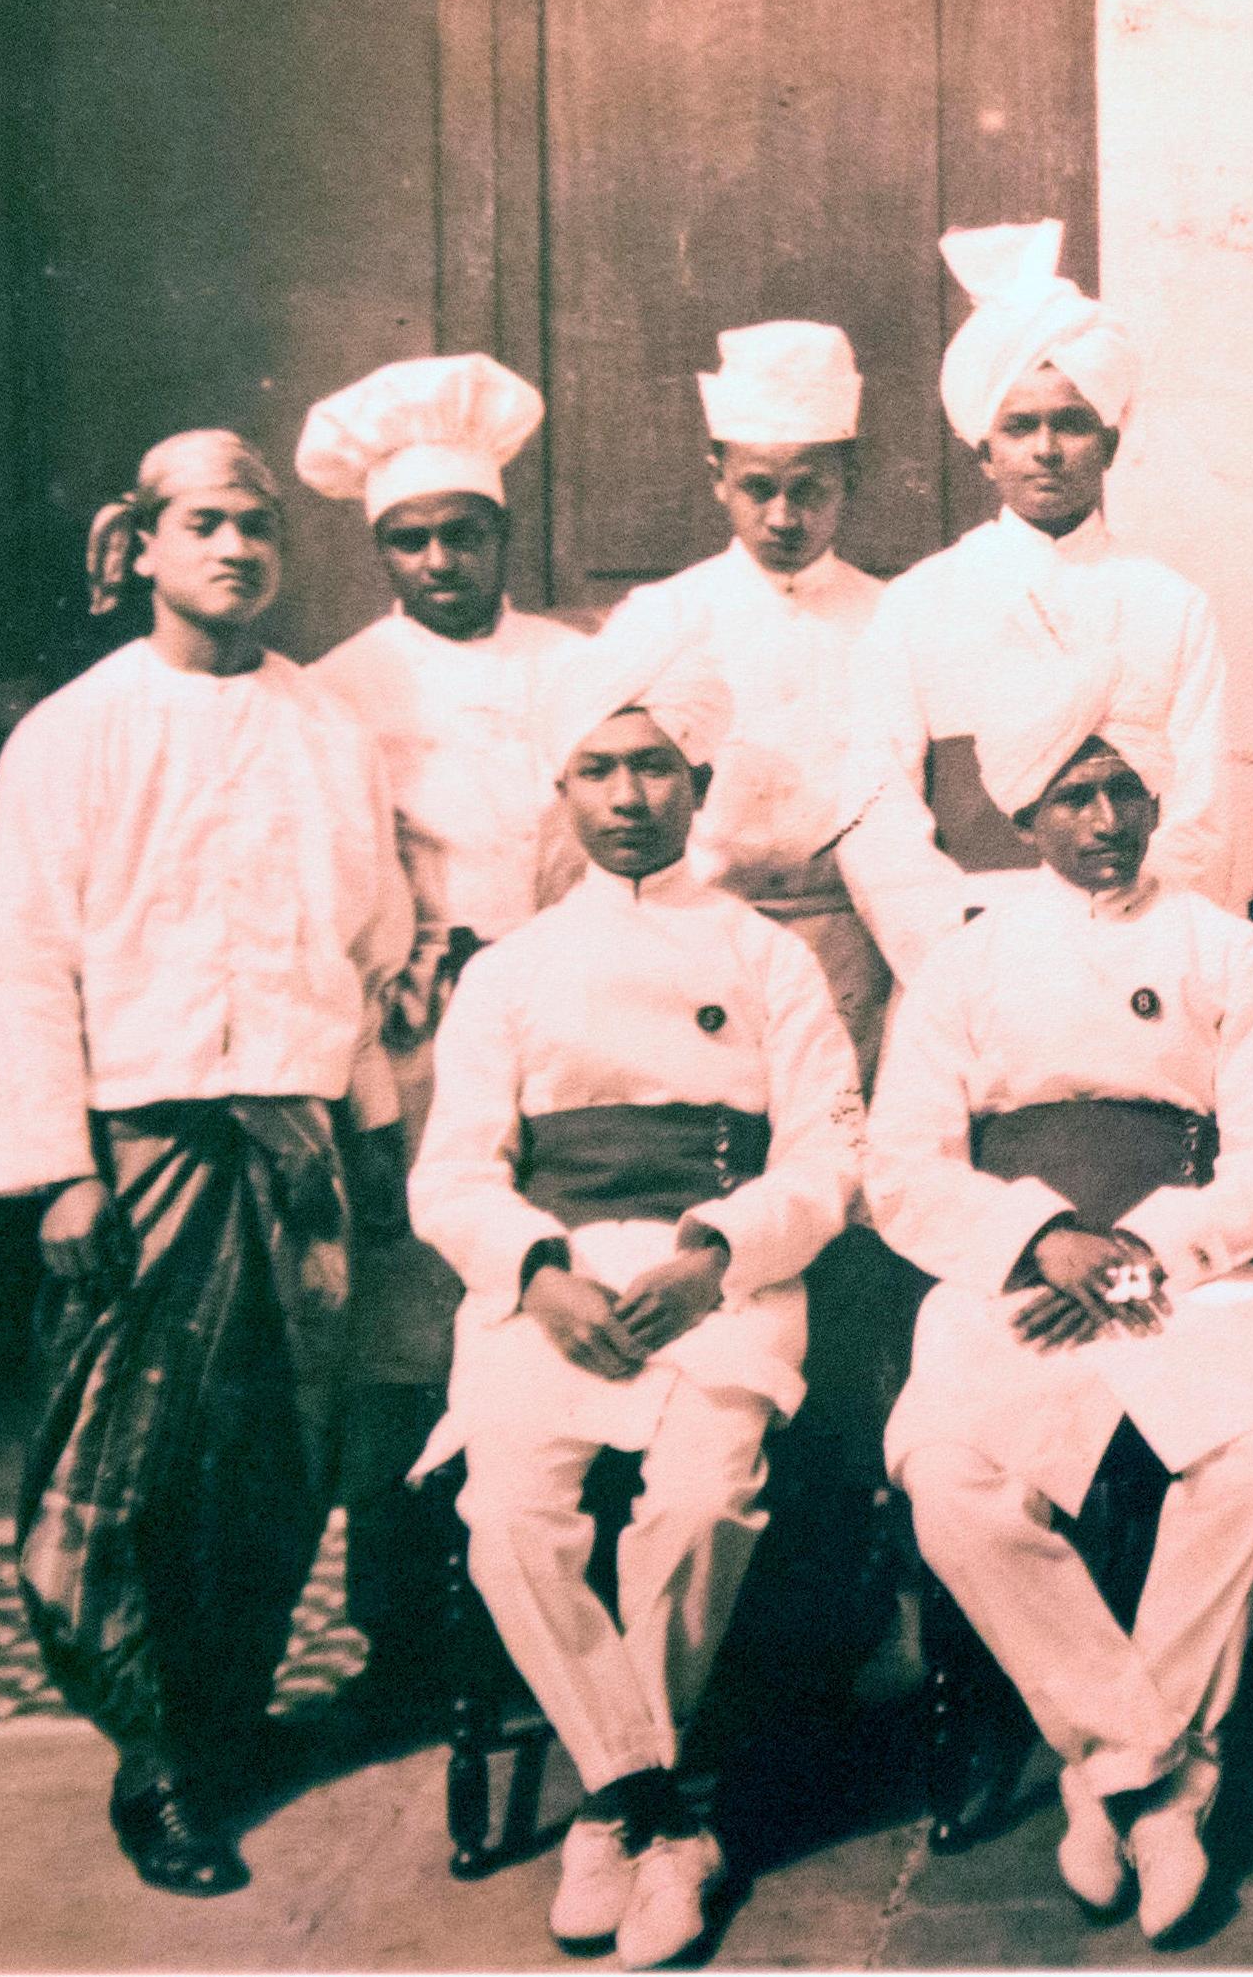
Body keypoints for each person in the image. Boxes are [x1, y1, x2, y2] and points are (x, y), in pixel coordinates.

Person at [0, 428, 410, 1894]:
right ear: (142, 546)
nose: (236, 548)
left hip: (295, 1140)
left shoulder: (325, 729)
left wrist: (365, 1122)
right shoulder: (72, 735)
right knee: (120, 1464)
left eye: (258, 525)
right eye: (205, 524)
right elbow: (27, 964)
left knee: (279, 1456)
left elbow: (368, 944)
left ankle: (224, 1725)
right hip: (141, 1144)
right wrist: (61, 1170)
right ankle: (150, 1757)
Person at [410, 635, 862, 1968]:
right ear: (562, 788)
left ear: (696, 778)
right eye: (597, 770)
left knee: (701, 1494)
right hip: (552, 1288)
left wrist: (719, 1250)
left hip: (712, 1282)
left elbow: (830, 1147)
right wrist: (536, 1271)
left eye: (651, 768)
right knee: (508, 1510)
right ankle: (658, 1812)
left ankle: (617, 1807)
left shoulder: (765, 952)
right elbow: (453, 1172)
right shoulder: (506, 969)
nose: (624, 797)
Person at [869, 650, 1253, 1943]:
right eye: (1074, 795)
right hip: (1013, 1274)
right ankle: (1151, 1771)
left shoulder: (1222, 950)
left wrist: (1142, 1251)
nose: (1106, 820)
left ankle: (1113, 1778)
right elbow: (902, 1171)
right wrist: (1037, 1239)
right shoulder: (962, 962)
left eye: (1126, 790)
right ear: (1023, 814)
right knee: (954, 1476)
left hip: (1187, 1274)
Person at [299, 350, 585, 1711]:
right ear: (381, 550)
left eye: (458, 534)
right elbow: (337, 887)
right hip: (412, 1039)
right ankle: (403, 1632)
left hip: (562, 1021)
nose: (435, 561)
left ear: (501, 535)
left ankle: (549, 1618)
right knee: (408, 1336)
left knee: (548, 1300)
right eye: (407, 540)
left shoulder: (576, 667)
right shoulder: (339, 687)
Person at [840, 221, 1229, 978]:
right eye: (1020, 427)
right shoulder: (919, 603)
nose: (1046, 450)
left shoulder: (1171, 604)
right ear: (984, 449)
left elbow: (1200, 815)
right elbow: (876, 808)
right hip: (973, 948)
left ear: (1110, 444)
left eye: (1072, 424)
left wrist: (1136, 945)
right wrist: (955, 955)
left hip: (1139, 951)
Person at [594, 320, 892, 1080]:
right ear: (717, 476)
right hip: (697, 933)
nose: (784, 518)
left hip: (857, 938)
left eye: (810, 490)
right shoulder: (663, 615)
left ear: (849, 478)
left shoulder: (895, 616)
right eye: (759, 488)